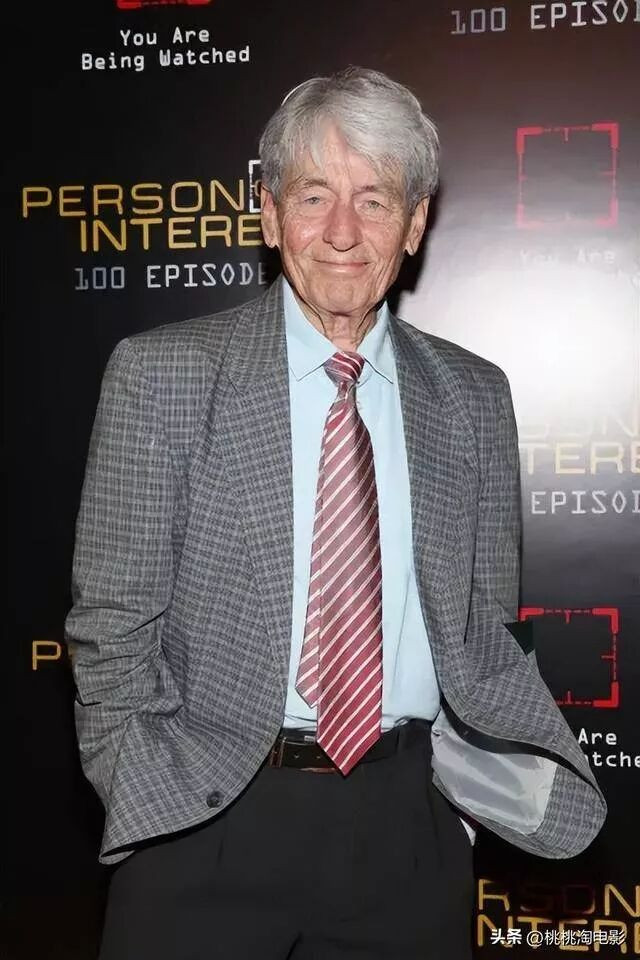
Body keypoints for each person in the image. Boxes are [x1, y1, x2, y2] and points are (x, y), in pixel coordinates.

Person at [65, 66, 606, 960]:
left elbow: (487, 628)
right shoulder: (163, 376)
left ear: (416, 222)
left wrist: (453, 817)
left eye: (375, 200)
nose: (343, 232)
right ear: (270, 213)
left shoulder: (474, 396)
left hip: (406, 832)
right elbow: (112, 624)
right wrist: (143, 786)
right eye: (314, 196)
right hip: (203, 822)